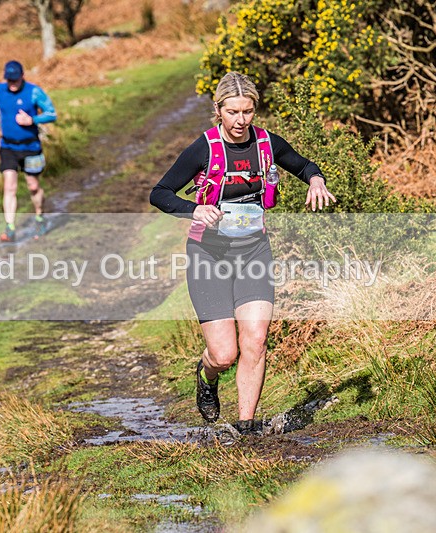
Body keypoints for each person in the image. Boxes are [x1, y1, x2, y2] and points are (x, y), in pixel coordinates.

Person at [150, 72, 335, 435]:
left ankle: (247, 426)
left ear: (255, 110)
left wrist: (316, 180)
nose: (240, 121)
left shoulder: (267, 143)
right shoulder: (204, 148)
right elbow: (160, 192)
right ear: (217, 110)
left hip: (253, 252)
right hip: (209, 255)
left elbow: (304, 165)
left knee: (256, 339)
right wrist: (193, 209)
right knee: (224, 354)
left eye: (247, 112)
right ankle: (206, 374)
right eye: (232, 112)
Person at [0, 60, 57, 242]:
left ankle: (40, 217)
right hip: (8, 146)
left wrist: (32, 120)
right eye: (9, 81)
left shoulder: (33, 92)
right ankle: (9, 227)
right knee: (9, 186)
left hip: (30, 147)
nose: (12, 84)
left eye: (15, 80)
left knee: (33, 186)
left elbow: (51, 113)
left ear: (22, 77)